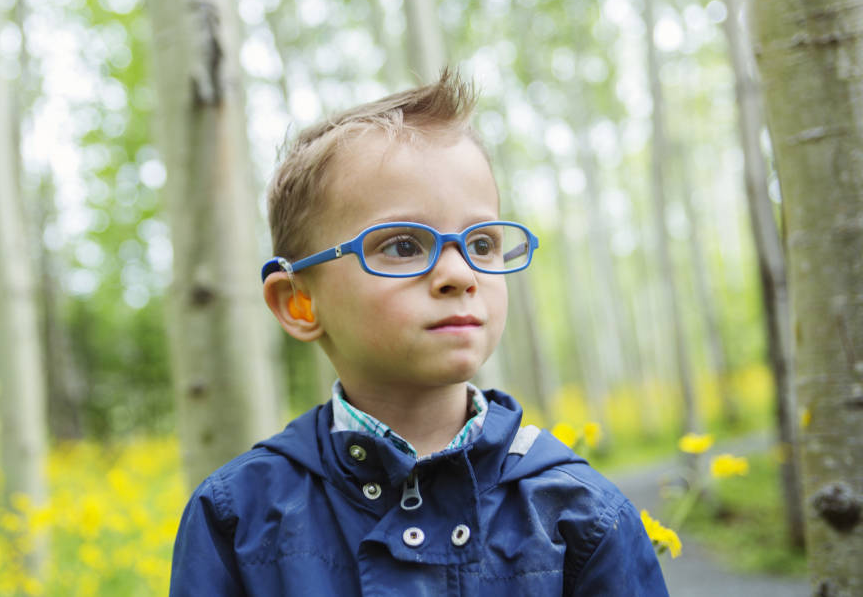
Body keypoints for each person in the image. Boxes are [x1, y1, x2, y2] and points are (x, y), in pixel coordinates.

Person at [169, 71, 669, 595]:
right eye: (404, 245)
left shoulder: (584, 516)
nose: (460, 275)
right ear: (299, 302)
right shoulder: (236, 518)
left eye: (481, 244)